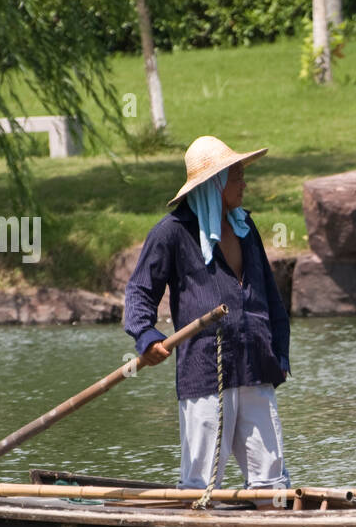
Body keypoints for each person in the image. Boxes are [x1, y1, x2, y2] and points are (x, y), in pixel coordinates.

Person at [124, 135, 291, 502]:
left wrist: (279, 352)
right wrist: (147, 337)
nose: (244, 183)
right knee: (200, 484)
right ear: (215, 182)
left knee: (272, 482)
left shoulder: (245, 227)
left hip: (255, 366)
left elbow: (270, 297)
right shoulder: (171, 233)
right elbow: (139, 293)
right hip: (205, 371)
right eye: (236, 176)